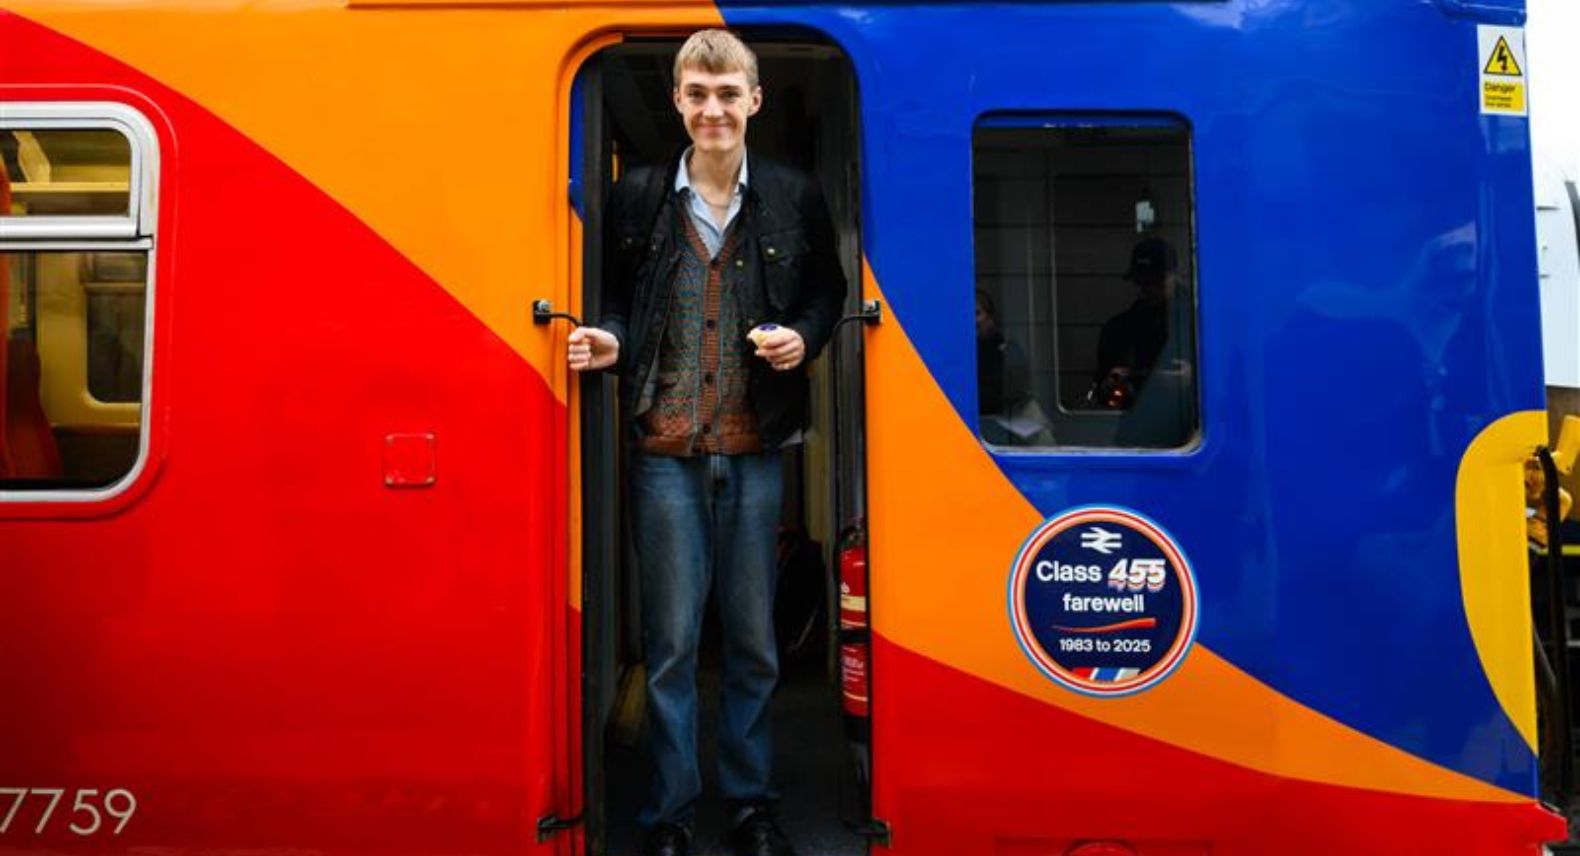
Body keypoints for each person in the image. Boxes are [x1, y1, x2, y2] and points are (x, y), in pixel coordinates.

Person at [567, 29, 845, 856]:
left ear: (753, 101)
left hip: (757, 445)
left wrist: (804, 337)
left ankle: (753, 806)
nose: (713, 109)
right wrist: (611, 341)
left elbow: (827, 290)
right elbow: (615, 299)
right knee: (673, 647)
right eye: (697, 94)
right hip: (663, 451)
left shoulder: (793, 194)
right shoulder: (642, 194)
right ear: (680, 102)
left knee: (754, 644)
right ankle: (670, 817)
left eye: (728, 95)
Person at [1090, 237, 1195, 446]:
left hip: (1190, 434)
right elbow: (1101, 393)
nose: (1149, 290)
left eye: (1156, 282)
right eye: (1142, 283)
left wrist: (1193, 381)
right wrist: (1110, 386)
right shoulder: (1119, 329)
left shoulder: (1199, 324)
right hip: (1138, 434)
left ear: (1176, 275)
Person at [975, 290, 1053, 446]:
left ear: (990, 318)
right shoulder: (956, 352)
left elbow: (1017, 389)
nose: (972, 320)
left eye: (977, 313)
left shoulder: (1008, 349)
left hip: (1013, 413)